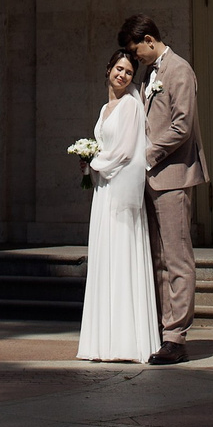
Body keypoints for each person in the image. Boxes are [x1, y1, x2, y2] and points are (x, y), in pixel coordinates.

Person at [121, 12, 206, 365]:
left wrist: (146, 155)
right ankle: (162, 327)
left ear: (149, 40)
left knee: (177, 257)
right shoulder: (148, 74)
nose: (134, 57)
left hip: (173, 176)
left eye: (135, 50)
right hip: (149, 178)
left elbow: (182, 126)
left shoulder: (179, 70)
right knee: (156, 258)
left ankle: (176, 337)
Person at [76, 49, 158, 363]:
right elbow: (105, 146)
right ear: (108, 69)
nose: (122, 75)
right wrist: (87, 164)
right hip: (103, 189)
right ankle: (102, 342)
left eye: (128, 72)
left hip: (119, 189)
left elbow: (124, 152)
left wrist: (94, 162)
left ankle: (127, 342)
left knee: (122, 255)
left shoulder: (131, 107)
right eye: (118, 69)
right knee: (104, 257)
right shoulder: (104, 108)